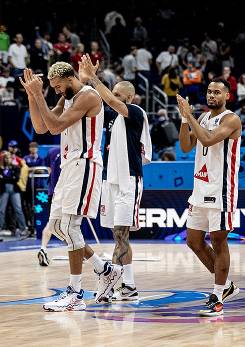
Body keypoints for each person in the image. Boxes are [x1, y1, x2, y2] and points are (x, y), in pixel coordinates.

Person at [20, 64, 122, 311]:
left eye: (58, 87)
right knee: (56, 226)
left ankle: (75, 294)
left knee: (70, 226)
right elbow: (41, 127)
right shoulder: (67, 98)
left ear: (70, 78)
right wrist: (33, 96)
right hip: (69, 167)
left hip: (85, 164)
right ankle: (105, 269)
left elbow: (55, 127)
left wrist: (40, 95)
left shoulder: (87, 95)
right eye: (52, 88)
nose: (56, 92)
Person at [79, 54, 151, 301]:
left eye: (118, 96)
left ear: (128, 98)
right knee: (116, 235)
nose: (113, 98)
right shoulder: (112, 117)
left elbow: (107, 98)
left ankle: (125, 285)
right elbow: (95, 101)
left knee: (121, 234)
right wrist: (85, 81)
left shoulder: (136, 112)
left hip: (129, 180)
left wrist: (94, 79)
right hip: (111, 180)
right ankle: (121, 283)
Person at [176, 78, 242, 317]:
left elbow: (208, 139)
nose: (212, 95)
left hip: (221, 190)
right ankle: (227, 286)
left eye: (217, 92)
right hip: (200, 190)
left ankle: (217, 296)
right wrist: (185, 118)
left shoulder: (231, 119)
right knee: (193, 241)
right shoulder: (203, 118)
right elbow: (185, 146)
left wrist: (190, 115)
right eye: (209, 92)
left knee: (218, 241)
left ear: (227, 96)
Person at [37, 146, 61, 266]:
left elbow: (49, 170)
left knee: (52, 222)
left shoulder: (52, 151)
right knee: (70, 224)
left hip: (52, 191)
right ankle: (79, 251)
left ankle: (43, 248)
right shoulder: (74, 150)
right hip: (66, 192)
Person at [0, 151, 27, 235]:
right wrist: (10, 177)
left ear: (11, 158)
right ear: (3, 159)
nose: (7, 159)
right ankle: (1, 228)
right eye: (6, 158)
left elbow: (16, 179)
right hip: (3, 190)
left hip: (14, 190)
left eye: (9, 158)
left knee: (18, 209)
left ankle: (23, 228)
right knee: (1, 210)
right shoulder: (0, 168)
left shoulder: (16, 167)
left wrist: (4, 178)